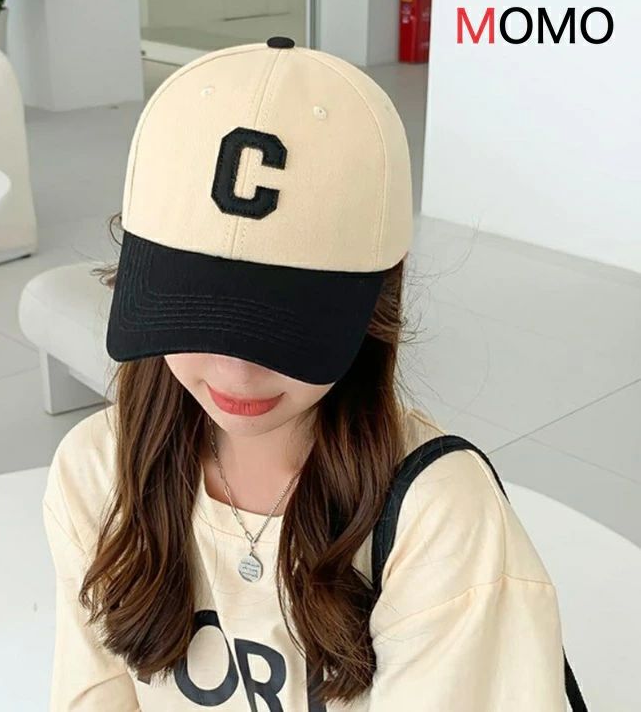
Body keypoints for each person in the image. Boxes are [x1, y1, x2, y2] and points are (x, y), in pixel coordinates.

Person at [42, 37, 570, 710]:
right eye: (195, 311)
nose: (238, 372)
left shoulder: (439, 516)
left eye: (281, 324)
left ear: (379, 294)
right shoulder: (95, 470)